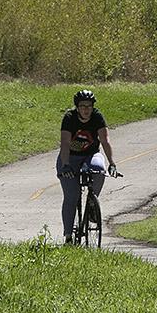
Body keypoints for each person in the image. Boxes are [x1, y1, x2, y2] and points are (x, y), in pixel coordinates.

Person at [58, 87, 117, 242]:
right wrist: (65, 165)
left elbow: (105, 141)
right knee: (72, 196)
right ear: (77, 107)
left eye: (89, 106)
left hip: (90, 155)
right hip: (70, 157)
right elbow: (65, 143)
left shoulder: (97, 117)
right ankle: (68, 236)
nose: (86, 110)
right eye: (83, 106)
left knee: (99, 170)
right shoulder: (69, 118)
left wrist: (112, 163)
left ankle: (92, 203)